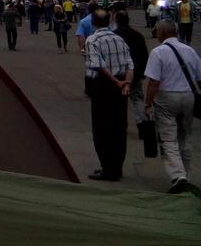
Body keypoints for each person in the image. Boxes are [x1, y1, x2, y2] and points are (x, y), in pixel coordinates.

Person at [144, 20, 201, 193]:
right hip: (188, 97)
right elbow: (199, 79)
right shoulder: (190, 50)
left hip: (166, 97)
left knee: (168, 138)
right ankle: (186, 175)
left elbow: (154, 81)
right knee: (184, 136)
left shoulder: (158, 52)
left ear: (162, 32)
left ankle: (178, 176)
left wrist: (148, 103)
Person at [84, 10, 134, 181]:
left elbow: (99, 66)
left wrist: (116, 82)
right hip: (120, 86)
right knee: (119, 127)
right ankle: (116, 167)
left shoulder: (92, 39)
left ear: (93, 22)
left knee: (102, 128)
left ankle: (108, 169)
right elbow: (129, 63)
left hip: (103, 86)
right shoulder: (118, 38)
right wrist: (126, 82)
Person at [112, 10, 149, 138]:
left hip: (118, 75)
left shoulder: (113, 36)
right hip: (135, 73)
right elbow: (144, 55)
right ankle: (142, 124)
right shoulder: (137, 35)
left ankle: (121, 127)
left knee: (119, 103)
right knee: (138, 100)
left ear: (116, 21)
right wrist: (143, 71)